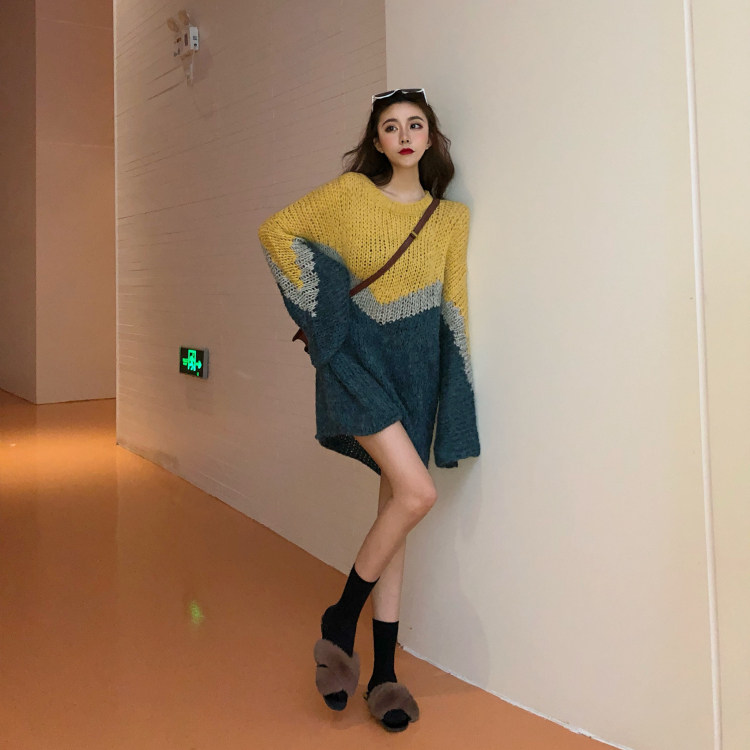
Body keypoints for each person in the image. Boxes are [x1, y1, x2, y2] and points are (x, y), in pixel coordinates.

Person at [258, 88, 480, 733]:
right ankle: (340, 617)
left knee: (395, 512)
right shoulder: (351, 194)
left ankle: (383, 675)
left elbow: (454, 310)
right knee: (417, 494)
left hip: (417, 375)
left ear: (431, 137)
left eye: (416, 125)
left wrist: (455, 402)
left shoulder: (451, 219)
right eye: (391, 126)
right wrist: (327, 320)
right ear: (377, 140)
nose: (404, 136)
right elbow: (276, 232)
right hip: (356, 366)